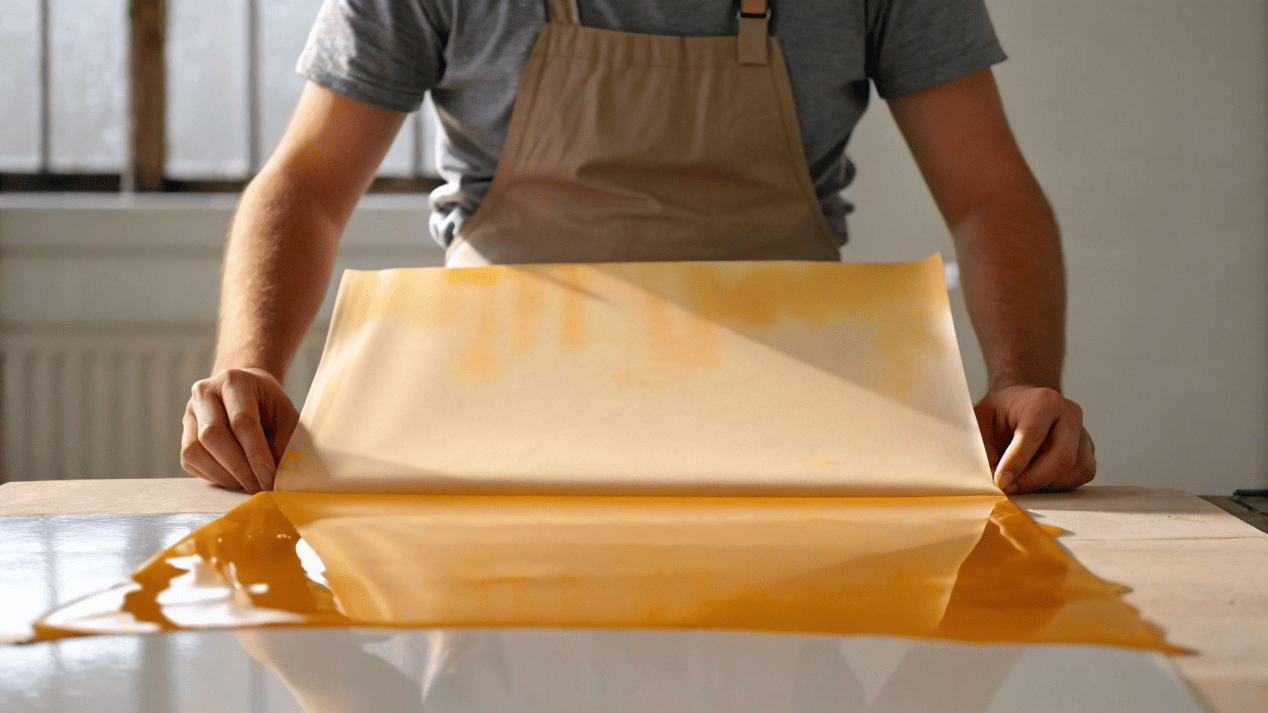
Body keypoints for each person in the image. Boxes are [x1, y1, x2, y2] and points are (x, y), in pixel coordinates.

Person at [181, 0, 1096, 495]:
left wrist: (1019, 377)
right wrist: (247, 366)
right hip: (484, 432)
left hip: (794, 437)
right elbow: (304, 188)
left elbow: (989, 194)